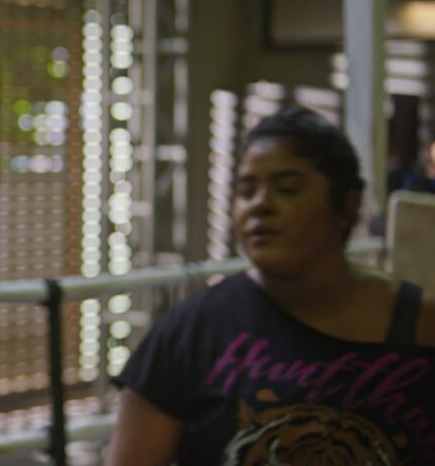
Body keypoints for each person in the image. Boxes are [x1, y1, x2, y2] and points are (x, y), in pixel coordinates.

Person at [108, 106, 435, 465]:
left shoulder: (422, 324)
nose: (260, 204)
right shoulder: (191, 332)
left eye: (288, 188)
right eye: (246, 191)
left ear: (347, 206)